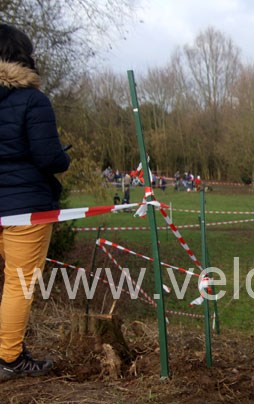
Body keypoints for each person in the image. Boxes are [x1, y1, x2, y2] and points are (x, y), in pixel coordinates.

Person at [0, 23, 71, 381]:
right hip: (24, 207)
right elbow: (48, 158)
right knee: (19, 283)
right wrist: (63, 157)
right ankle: (8, 358)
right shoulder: (32, 100)